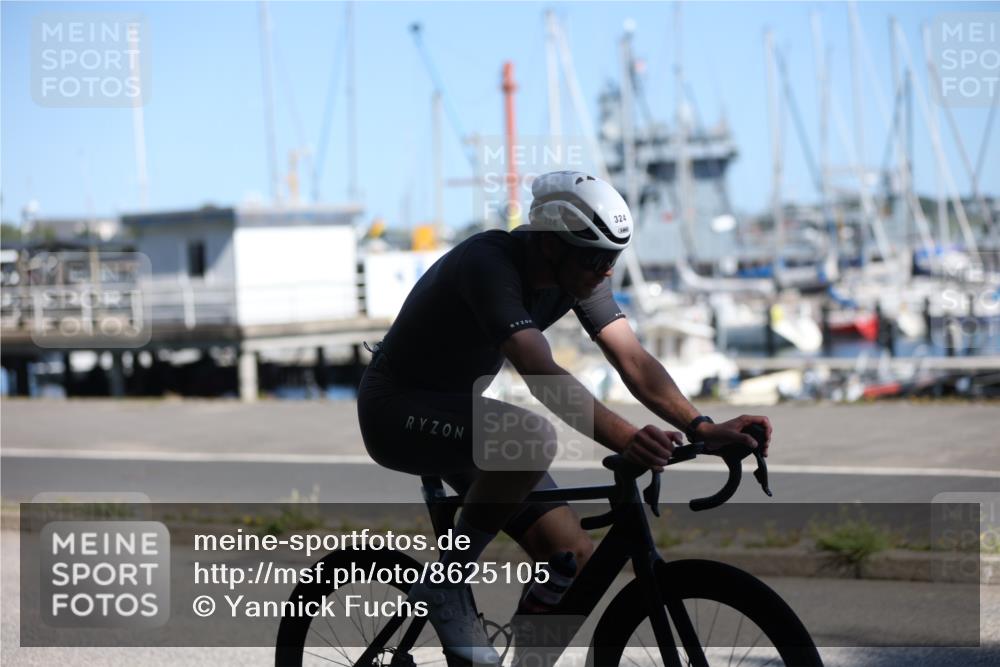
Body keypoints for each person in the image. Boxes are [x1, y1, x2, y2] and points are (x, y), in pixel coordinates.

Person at [356, 170, 772, 664]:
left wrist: (701, 426)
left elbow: (634, 360)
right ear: (551, 244)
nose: (606, 272)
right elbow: (539, 370)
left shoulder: (577, 275)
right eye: (596, 258)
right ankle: (445, 585)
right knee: (528, 437)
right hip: (396, 410)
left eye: (613, 259)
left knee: (572, 558)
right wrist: (626, 438)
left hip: (459, 417)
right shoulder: (488, 264)